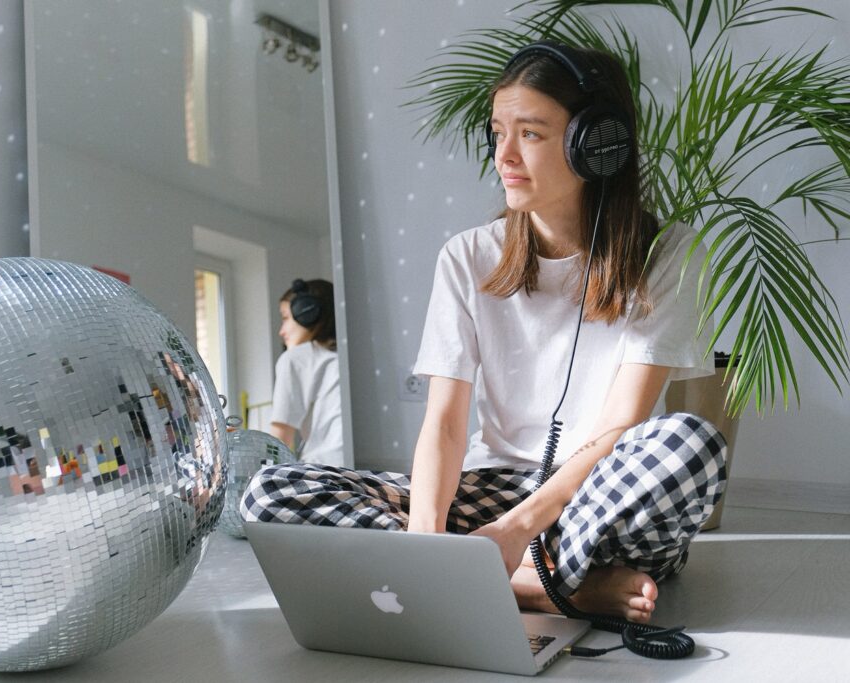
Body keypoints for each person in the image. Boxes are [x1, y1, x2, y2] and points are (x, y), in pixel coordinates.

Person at [242, 42, 726, 624]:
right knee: (269, 492)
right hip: (491, 488)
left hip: (595, 499)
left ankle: (516, 570)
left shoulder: (669, 253)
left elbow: (622, 424)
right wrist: (426, 540)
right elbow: (445, 423)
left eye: (531, 133)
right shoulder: (467, 257)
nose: (505, 156)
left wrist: (515, 529)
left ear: (596, 145)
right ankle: (558, 590)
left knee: (688, 446)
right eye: (498, 132)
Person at [268, 279, 344, 467]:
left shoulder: (294, 359)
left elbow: (280, 438)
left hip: (321, 473)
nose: (281, 331)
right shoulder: (349, 361)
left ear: (308, 313)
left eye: (285, 318)